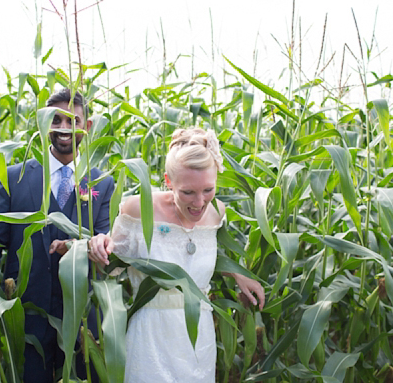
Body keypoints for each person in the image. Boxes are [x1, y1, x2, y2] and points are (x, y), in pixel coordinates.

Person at [88, 127, 264, 382]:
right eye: (188, 192)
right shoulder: (139, 209)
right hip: (150, 335)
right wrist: (99, 245)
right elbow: (113, 265)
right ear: (169, 182)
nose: (200, 202)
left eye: (208, 190)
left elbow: (193, 262)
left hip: (197, 336)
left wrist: (237, 274)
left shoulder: (217, 212)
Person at [0, 88, 113, 383]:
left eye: (72, 120)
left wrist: (95, 246)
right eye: (55, 120)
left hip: (82, 314)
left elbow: (106, 239)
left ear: (87, 125)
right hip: (28, 314)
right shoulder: (13, 176)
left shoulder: (102, 182)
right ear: (44, 123)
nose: (63, 128)